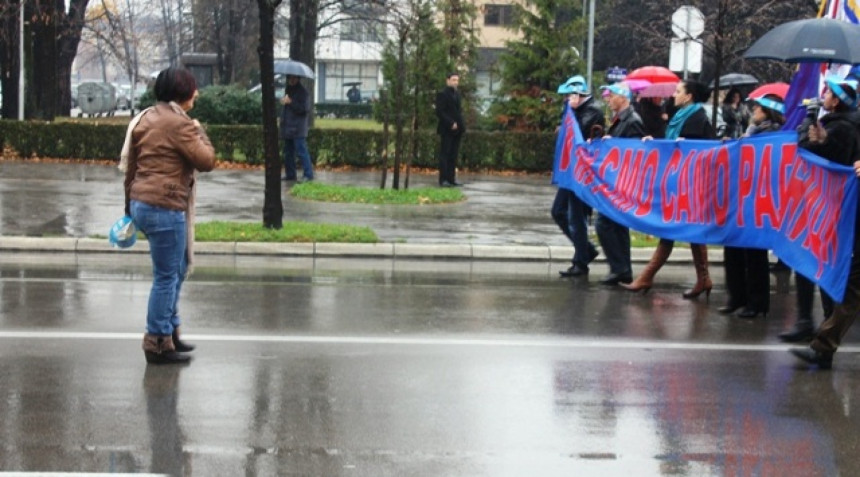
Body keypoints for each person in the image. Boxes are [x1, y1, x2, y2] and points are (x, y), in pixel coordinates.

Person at [123, 66, 216, 364]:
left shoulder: (146, 117)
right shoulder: (180, 123)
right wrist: (200, 131)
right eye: (193, 88)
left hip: (142, 202)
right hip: (165, 205)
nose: (197, 93)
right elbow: (206, 161)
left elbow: (132, 168)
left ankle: (170, 332)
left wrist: (129, 207)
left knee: (174, 272)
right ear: (182, 92)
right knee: (166, 277)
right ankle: (157, 342)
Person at [790, 76, 860, 369]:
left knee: (849, 286)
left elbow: (810, 147)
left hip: (839, 210)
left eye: (828, 91)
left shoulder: (843, 127)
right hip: (843, 213)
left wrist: (807, 122)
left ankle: (823, 346)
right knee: (850, 286)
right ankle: (823, 347)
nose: (824, 94)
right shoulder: (843, 124)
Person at [621, 80, 715, 297]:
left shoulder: (697, 117)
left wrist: (686, 145)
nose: (674, 95)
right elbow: (670, 145)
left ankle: (647, 278)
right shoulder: (681, 116)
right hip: (677, 183)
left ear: (689, 96)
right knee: (685, 232)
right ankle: (703, 279)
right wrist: (653, 141)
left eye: (679, 91)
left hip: (690, 185)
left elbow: (703, 148)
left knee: (675, 231)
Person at [719, 94, 783, 319]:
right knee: (733, 247)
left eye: (757, 108)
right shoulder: (752, 133)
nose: (753, 111)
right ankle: (737, 297)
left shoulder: (772, 135)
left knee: (754, 253)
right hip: (742, 197)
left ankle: (757, 303)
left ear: (766, 111)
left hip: (757, 200)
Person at [551, 75, 605, 277]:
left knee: (576, 217)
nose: (565, 99)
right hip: (571, 172)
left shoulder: (592, 112)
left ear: (577, 94)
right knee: (559, 212)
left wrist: (571, 111)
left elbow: (579, 134)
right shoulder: (576, 110)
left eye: (568, 95)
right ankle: (585, 251)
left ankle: (581, 261)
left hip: (582, 174)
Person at [595, 83, 646, 285]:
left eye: (612, 95)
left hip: (622, 182)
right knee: (617, 226)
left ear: (623, 98)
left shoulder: (632, 120)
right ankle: (622, 269)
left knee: (604, 224)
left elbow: (634, 151)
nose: (608, 99)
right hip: (617, 180)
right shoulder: (621, 119)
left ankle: (619, 268)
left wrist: (613, 144)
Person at [280, 75, 314, 182]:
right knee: (288, 152)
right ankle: (290, 174)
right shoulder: (288, 90)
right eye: (290, 78)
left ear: (298, 79)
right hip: (288, 127)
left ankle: (308, 175)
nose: (292, 80)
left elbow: (304, 109)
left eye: (294, 78)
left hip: (298, 128)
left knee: (301, 151)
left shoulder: (303, 92)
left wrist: (291, 102)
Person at [435, 73, 465, 187]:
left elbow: (458, 111)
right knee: (445, 154)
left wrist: (460, 124)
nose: (455, 82)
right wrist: (450, 123)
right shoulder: (442, 94)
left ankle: (451, 179)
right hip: (446, 129)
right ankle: (443, 180)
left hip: (458, 129)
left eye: (457, 80)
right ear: (447, 81)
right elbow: (440, 112)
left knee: (453, 155)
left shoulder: (457, 94)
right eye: (453, 80)